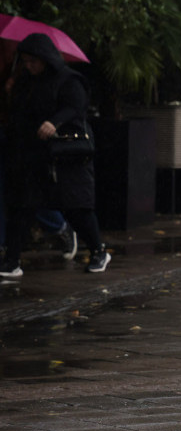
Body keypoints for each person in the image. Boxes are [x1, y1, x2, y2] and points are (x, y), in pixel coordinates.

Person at [1, 33, 109, 277]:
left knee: (76, 207)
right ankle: (11, 261)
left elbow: (76, 107)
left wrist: (54, 122)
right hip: (33, 153)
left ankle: (98, 251)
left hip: (64, 155)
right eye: (25, 61)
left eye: (33, 61)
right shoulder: (25, 81)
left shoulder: (69, 79)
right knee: (22, 206)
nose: (29, 66)